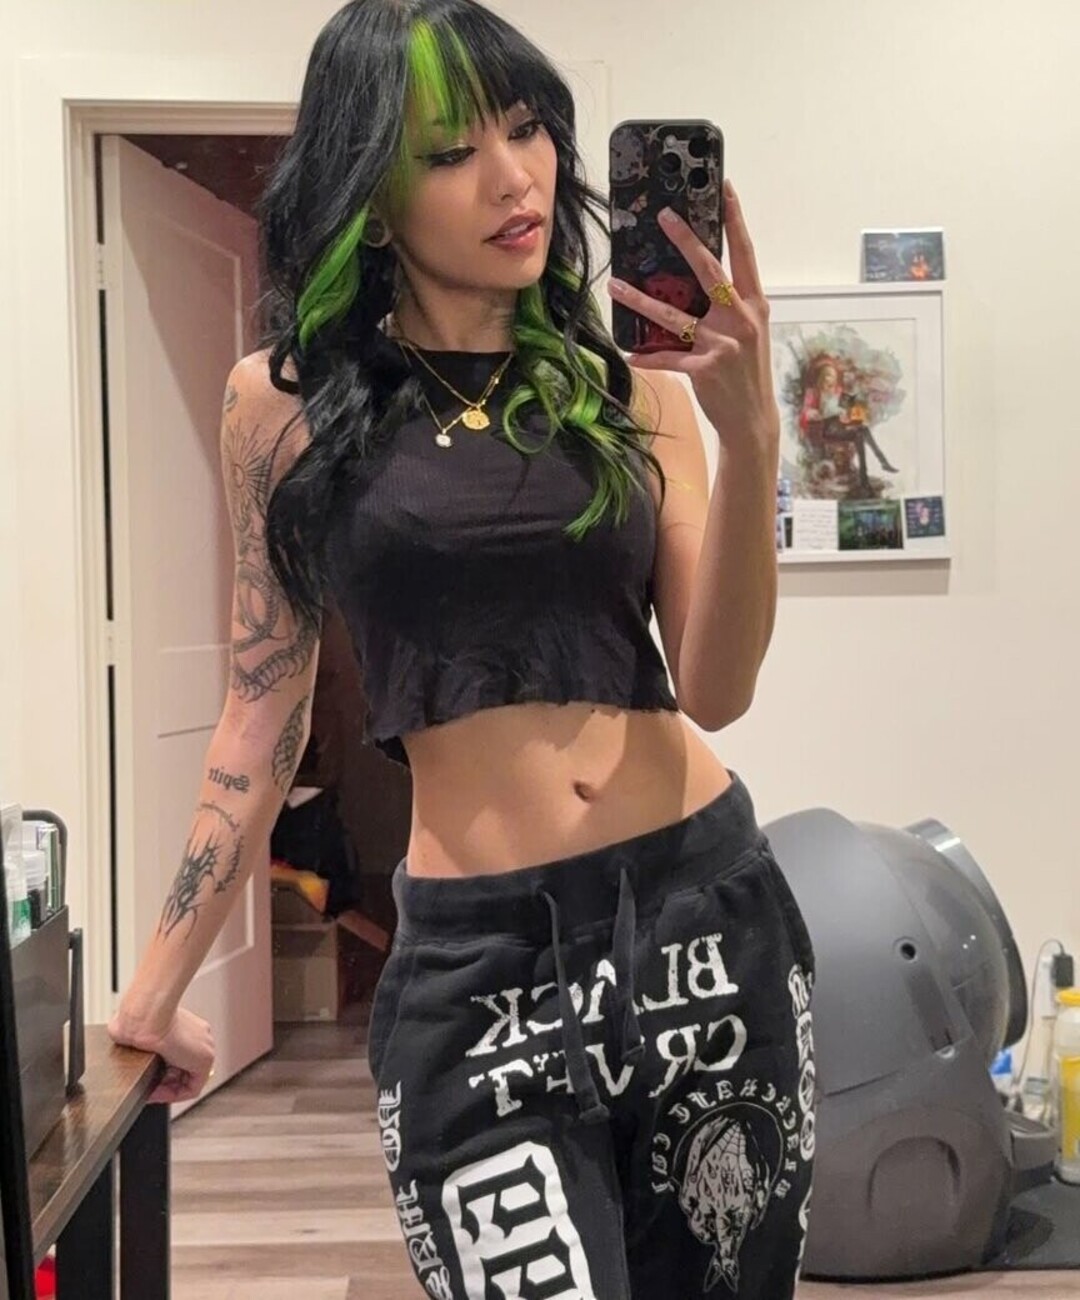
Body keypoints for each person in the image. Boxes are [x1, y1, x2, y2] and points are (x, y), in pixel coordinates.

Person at [107, 2, 817, 1296]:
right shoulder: (281, 405)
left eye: (529, 129)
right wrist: (154, 990)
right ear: (371, 197)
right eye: (450, 152)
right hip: (478, 966)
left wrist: (751, 436)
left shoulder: (634, 393)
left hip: (701, 920)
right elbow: (260, 708)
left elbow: (718, 689)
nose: (514, 178)